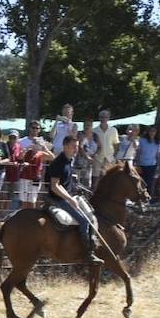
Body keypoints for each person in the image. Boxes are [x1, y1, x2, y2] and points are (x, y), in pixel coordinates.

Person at [46, 134, 103, 265]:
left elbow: (66, 182)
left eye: (77, 147)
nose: (76, 149)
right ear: (65, 146)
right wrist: (69, 199)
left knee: (91, 215)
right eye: (73, 147)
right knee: (84, 221)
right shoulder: (58, 163)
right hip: (58, 199)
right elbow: (54, 186)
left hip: (69, 195)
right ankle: (88, 253)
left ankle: (91, 240)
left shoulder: (68, 160)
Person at [92, 110, 119, 175]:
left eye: (105, 117)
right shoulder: (94, 130)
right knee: (96, 179)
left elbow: (116, 144)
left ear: (108, 118)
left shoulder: (113, 130)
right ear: (99, 118)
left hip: (109, 158)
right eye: (102, 117)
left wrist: (113, 156)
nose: (103, 119)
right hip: (98, 158)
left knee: (109, 179)